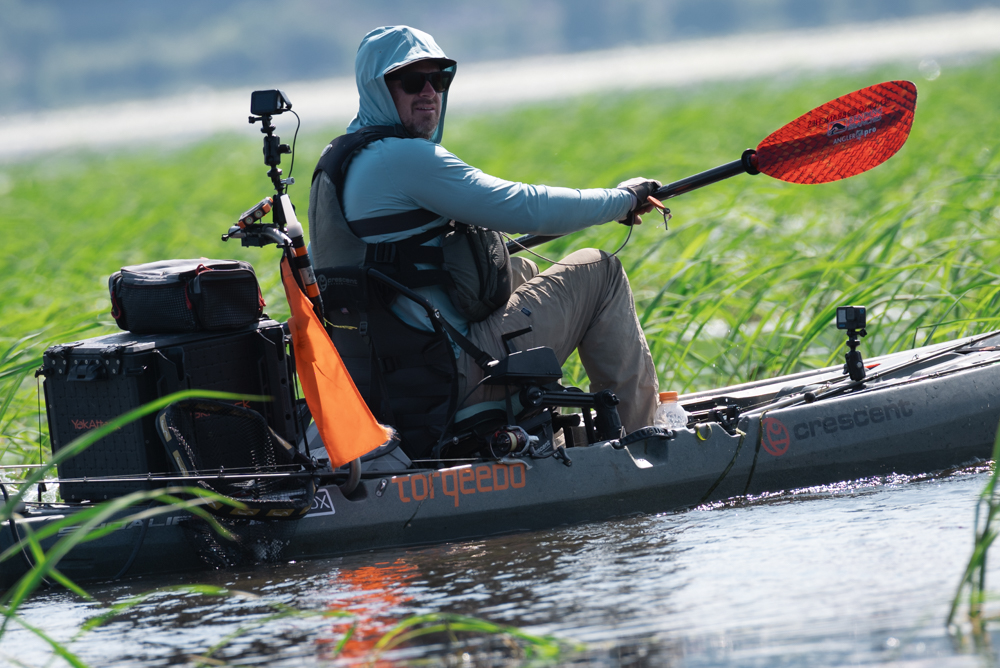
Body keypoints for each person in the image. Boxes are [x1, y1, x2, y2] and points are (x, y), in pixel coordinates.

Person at [309, 25, 660, 435]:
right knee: (598, 270)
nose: (429, 92)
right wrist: (623, 199)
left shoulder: (340, 164)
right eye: (412, 80)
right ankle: (641, 439)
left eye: (439, 79)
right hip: (455, 373)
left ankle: (544, 433)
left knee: (521, 271)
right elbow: (525, 206)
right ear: (377, 88)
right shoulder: (401, 159)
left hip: (394, 382)